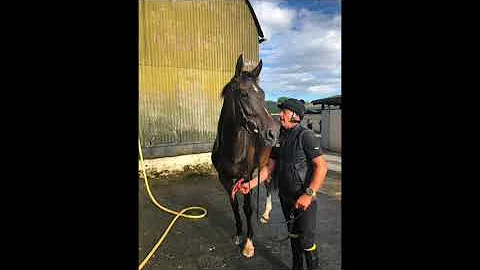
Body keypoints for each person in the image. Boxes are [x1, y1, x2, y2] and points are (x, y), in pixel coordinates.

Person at [240, 98, 328, 270]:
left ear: (296, 116)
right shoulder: (280, 137)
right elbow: (269, 168)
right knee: (294, 237)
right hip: (286, 198)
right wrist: (250, 184)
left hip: (304, 200)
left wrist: (308, 194)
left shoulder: (306, 136)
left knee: (306, 241)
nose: (280, 115)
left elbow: (322, 166)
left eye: (284, 112)